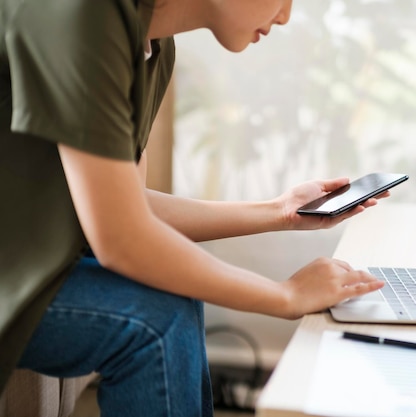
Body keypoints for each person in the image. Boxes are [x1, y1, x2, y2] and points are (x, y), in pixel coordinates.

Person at [0, 0, 386, 415]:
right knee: (157, 319)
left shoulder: (152, 47)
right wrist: (284, 296)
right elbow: (122, 240)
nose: (285, 16)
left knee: (174, 298)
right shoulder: (84, 15)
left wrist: (279, 211)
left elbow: (127, 207)